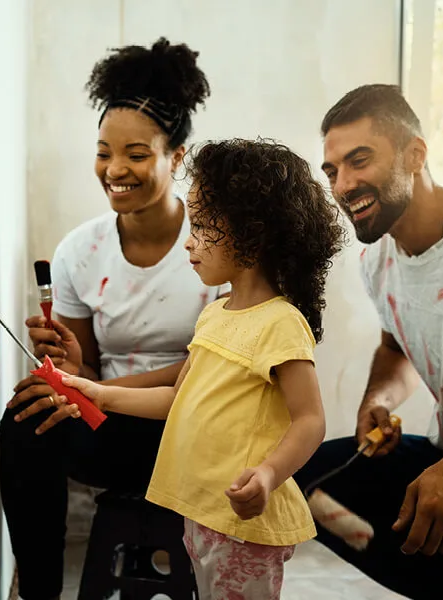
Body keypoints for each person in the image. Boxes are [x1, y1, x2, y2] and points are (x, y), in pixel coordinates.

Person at [61, 138, 346, 599]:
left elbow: (310, 420)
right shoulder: (216, 315)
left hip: (243, 517)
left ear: (251, 232)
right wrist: (99, 394)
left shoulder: (280, 322)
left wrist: (270, 473)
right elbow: (179, 397)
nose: (188, 242)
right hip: (201, 510)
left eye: (202, 226)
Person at [0, 38, 229, 600]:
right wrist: (73, 372)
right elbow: (89, 371)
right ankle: (40, 593)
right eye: (104, 152)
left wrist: (96, 391)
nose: (115, 170)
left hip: (198, 432)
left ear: (176, 157)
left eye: (137, 154)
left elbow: (215, 373)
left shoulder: (218, 245)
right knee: (26, 418)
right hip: (115, 429)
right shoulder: (81, 251)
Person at [294, 84, 443, 600]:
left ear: (415, 154)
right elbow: (396, 348)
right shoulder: (376, 259)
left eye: (359, 160)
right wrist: (377, 401)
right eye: (332, 171)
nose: (343, 185)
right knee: (304, 479)